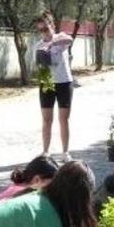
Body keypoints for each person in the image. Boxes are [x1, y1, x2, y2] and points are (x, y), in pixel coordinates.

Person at [34, 11, 74, 161]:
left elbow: (69, 39)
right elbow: (40, 67)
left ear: (52, 25)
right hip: (47, 82)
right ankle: (45, 151)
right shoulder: (38, 46)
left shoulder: (60, 38)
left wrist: (51, 44)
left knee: (63, 119)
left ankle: (65, 152)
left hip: (64, 82)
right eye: (40, 30)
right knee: (46, 119)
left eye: (45, 28)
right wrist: (43, 60)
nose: (43, 32)